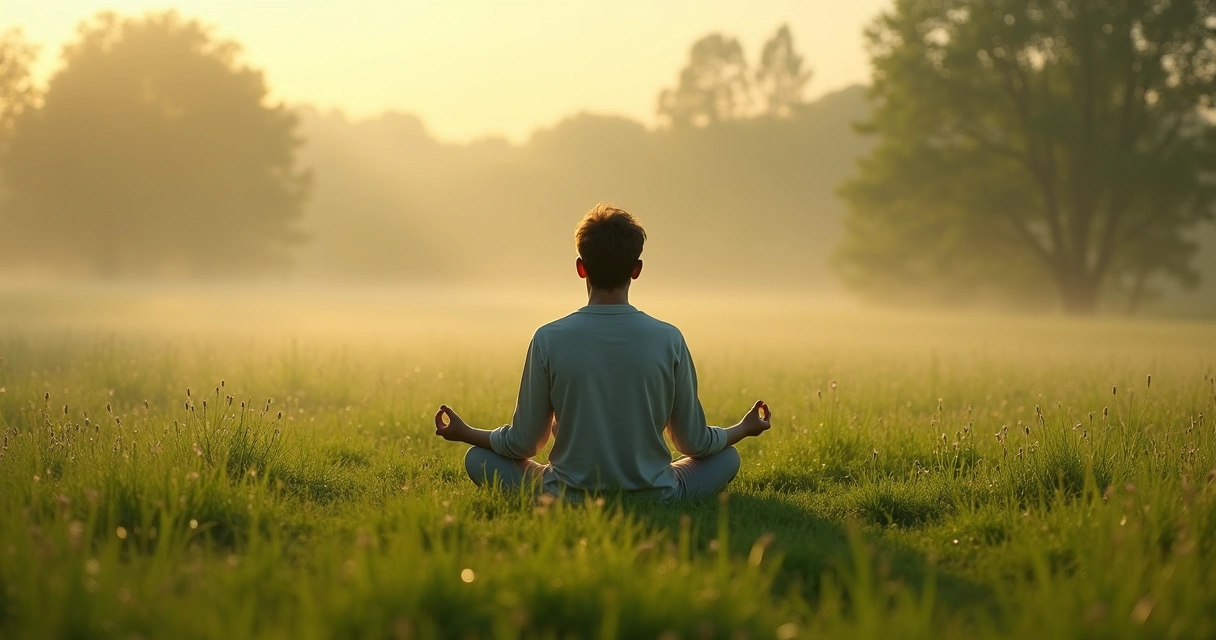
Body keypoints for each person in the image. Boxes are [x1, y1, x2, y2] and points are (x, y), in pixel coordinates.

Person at [432, 203, 772, 500]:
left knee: (477, 458)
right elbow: (694, 443)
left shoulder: (548, 338)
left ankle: (558, 494)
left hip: (565, 494)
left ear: (581, 267)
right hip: (658, 494)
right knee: (727, 457)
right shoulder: (669, 338)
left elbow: (524, 444)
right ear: (636, 270)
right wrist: (742, 428)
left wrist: (465, 434)